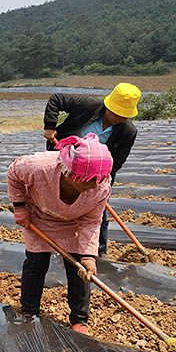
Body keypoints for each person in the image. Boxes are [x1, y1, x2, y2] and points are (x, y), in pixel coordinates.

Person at [8, 133, 113, 335]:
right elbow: (13, 174)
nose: (93, 185)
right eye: (88, 181)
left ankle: (79, 320)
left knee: (80, 269)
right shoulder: (39, 167)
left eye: (97, 180)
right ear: (71, 174)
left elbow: (91, 221)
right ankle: (29, 312)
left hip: (73, 222)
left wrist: (89, 256)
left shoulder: (100, 187)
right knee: (36, 263)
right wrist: (20, 207)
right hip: (40, 215)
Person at [42, 82, 140, 256]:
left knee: (98, 211)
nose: (119, 119)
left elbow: (117, 161)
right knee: (55, 200)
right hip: (62, 162)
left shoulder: (128, 131)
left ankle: (98, 251)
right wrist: (50, 126)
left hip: (95, 174)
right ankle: (52, 242)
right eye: (117, 114)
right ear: (109, 106)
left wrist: (100, 182)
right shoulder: (88, 106)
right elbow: (56, 99)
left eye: (124, 116)